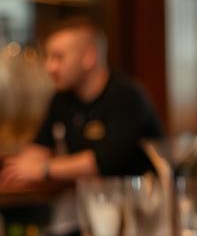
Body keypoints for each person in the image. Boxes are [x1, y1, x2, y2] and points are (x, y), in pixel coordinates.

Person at [0, 16, 164, 186]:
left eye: (58, 57)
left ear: (89, 57)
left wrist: (44, 169)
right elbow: (40, 147)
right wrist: (17, 168)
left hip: (140, 202)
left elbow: (104, 161)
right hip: (92, 200)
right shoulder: (63, 97)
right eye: (47, 57)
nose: (49, 66)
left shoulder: (127, 96)